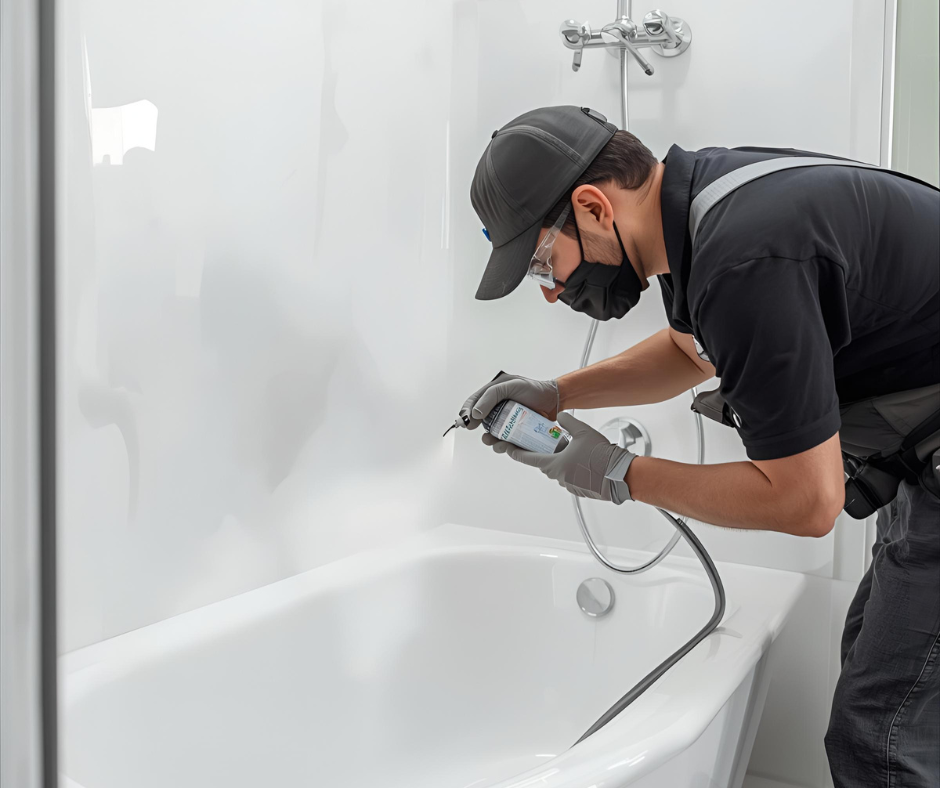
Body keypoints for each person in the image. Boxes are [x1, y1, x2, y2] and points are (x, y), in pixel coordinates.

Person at [458, 105, 940, 787]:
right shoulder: (709, 207)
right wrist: (558, 394)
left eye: (542, 262)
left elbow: (807, 502)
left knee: (882, 737)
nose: (551, 292)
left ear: (594, 207)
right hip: (924, 448)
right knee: (881, 670)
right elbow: (691, 352)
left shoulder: (741, 259)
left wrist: (615, 471)